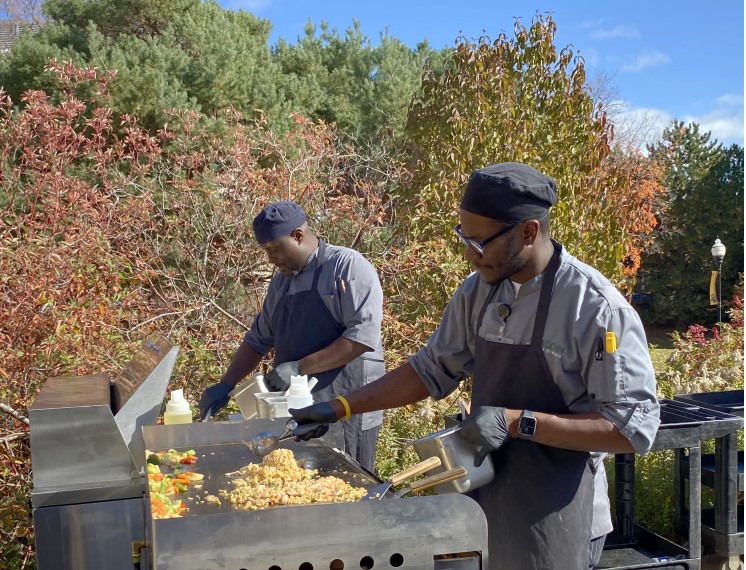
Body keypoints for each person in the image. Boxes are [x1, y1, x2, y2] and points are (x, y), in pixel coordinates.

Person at [288, 163, 661, 570]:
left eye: (480, 243)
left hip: (559, 513)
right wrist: (341, 406)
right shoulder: (477, 293)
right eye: (464, 239)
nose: (469, 255)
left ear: (529, 232)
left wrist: (518, 421)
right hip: (482, 501)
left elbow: (632, 428)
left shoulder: (594, 308)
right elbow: (429, 370)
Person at [199, 200, 385, 472]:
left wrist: (299, 368)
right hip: (299, 410)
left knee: (349, 491)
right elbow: (258, 339)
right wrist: (226, 384)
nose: (270, 259)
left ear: (297, 235)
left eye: (275, 249)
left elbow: (361, 338)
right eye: (266, 251)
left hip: (347, 406)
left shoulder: (346, 266)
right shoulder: (281, 282)